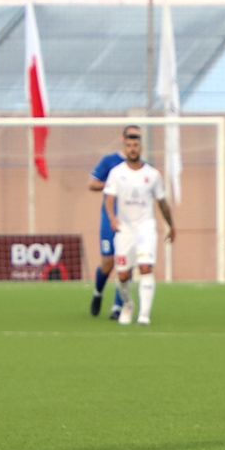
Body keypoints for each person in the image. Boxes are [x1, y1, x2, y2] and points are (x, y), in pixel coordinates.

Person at [103, 130, 176, 326]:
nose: (132, 149)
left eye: (135, 146)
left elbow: (161, 202)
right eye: (129, 145)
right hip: (124, 229)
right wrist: (112, 218)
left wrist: (171, 225)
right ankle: (128, 305)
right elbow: (109, 199)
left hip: (146, 227)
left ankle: (144, 314)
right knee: (123, 273)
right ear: (125, 148)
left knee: (145, 267)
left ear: (140, 148)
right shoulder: (117, 173)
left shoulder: (152, 175)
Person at [88, 128, 134, 319]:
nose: (134, 141)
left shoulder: (143, 168)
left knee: (126, 263)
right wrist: (113, 184)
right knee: (108, 263)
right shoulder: (110, 162)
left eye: (137, 138)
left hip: (131, 221)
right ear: (123, 140)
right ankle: (98, 293)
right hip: (110, 218)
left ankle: (117, 306)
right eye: (130, 137)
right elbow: (92, 183)